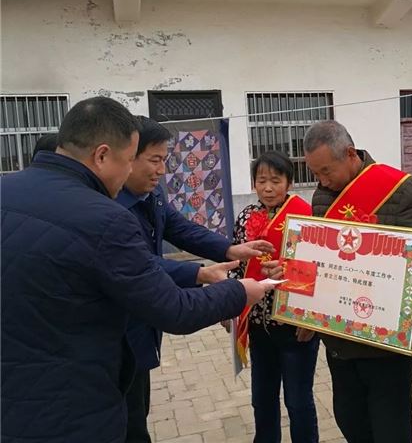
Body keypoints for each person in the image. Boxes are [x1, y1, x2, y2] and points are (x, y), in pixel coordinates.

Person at [1, 96, 273, 443]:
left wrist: (228, 249)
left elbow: (177, 228)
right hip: (71, 405)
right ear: (102, 155)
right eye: (131, 160)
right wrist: (239, 291)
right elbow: (175, 310)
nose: (134, 171)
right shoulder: (103, 216)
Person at [263, 120, 412, 442]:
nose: (322, 180)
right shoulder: (323, 196)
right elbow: (319, 261)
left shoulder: (400, 189)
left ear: (350, 154)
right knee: (350, 423)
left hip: (386, 349)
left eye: (326, 171)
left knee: (391, 432)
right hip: (340, 345)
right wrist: (301, 304)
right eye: (315, 173)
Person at [116, 116, 276, 443]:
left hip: (142, 328)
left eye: (165, 160)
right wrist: (200, 273)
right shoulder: (108, 207)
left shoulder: (151, 194)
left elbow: (180, 228)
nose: (162, 170)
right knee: (126, 420)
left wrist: (229, 248)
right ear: (128, 156)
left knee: (137, 410)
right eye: (155, 160)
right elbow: (140, 264)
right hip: (118, 332)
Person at [227, 150, 319, 443]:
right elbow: (235, 264)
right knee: (262, 398)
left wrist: (310, 319)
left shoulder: (304, 215)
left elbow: (319, 270)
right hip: (257, 323)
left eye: (275, 181)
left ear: (289, 183)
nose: (268, 188)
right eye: (261, 180)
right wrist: (228, 305)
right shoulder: (245, 216)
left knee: (298, 401)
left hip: (294, 327)